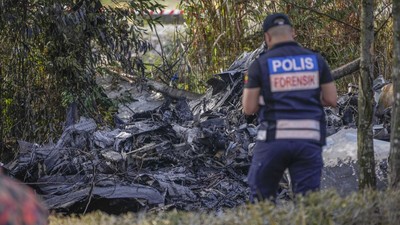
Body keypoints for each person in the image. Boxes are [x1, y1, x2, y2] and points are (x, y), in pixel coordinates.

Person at [242, 13, 337, 202]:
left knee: (261, 200)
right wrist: (304, 96)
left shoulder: (259, 65)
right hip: (308, 140)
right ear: (293, 33)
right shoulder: (316, 60)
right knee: (308, 203)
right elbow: (331, 99)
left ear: (267, 37)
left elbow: (248, 108)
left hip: (273, 140)